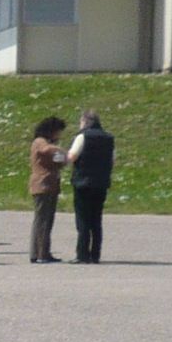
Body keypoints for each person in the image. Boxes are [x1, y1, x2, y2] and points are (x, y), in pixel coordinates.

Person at [68, 110, 114, 263]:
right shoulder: (109, 138)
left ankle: (82, 254)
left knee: (83, 220)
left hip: (83, 182)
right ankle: (95, 254)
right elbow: (112, 159)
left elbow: (73, 155)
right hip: (101, 183)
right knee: (96, 219)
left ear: (86, 122)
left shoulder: (82, 136)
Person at [27, 117, 68, 263]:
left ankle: (43, 251)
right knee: (42, 220)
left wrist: (62, 159)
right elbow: (45, 149)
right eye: (58, 132)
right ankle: (39, 253)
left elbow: (59, 162)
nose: (59, 135)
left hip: (51, 185)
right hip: (41, 184)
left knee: (48, 220)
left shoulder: (50, 144)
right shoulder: (40, 141)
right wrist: (60, 149)